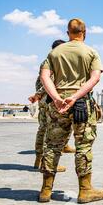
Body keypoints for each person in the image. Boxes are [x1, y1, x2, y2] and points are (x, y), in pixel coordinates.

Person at [38, 18, 103, 204]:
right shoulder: (91, 52)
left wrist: (57, 98)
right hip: (81, 104)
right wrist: (75, 97)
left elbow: (44, 77)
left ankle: (45, 190)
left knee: (52, 145)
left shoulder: (54, 52)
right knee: (83, 146)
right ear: (84, 32)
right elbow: (94, 79)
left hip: (57, 105)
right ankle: (85, 190)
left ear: (68, 33)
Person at [29, 40, 74, 173]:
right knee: (49, 130)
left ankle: (39, 159)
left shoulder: (48, 60)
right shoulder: (54, 60)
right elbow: (47, 81)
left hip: (45, 98)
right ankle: (45, 161)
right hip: (48, 99)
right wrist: (38, 94)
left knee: (43, 128)